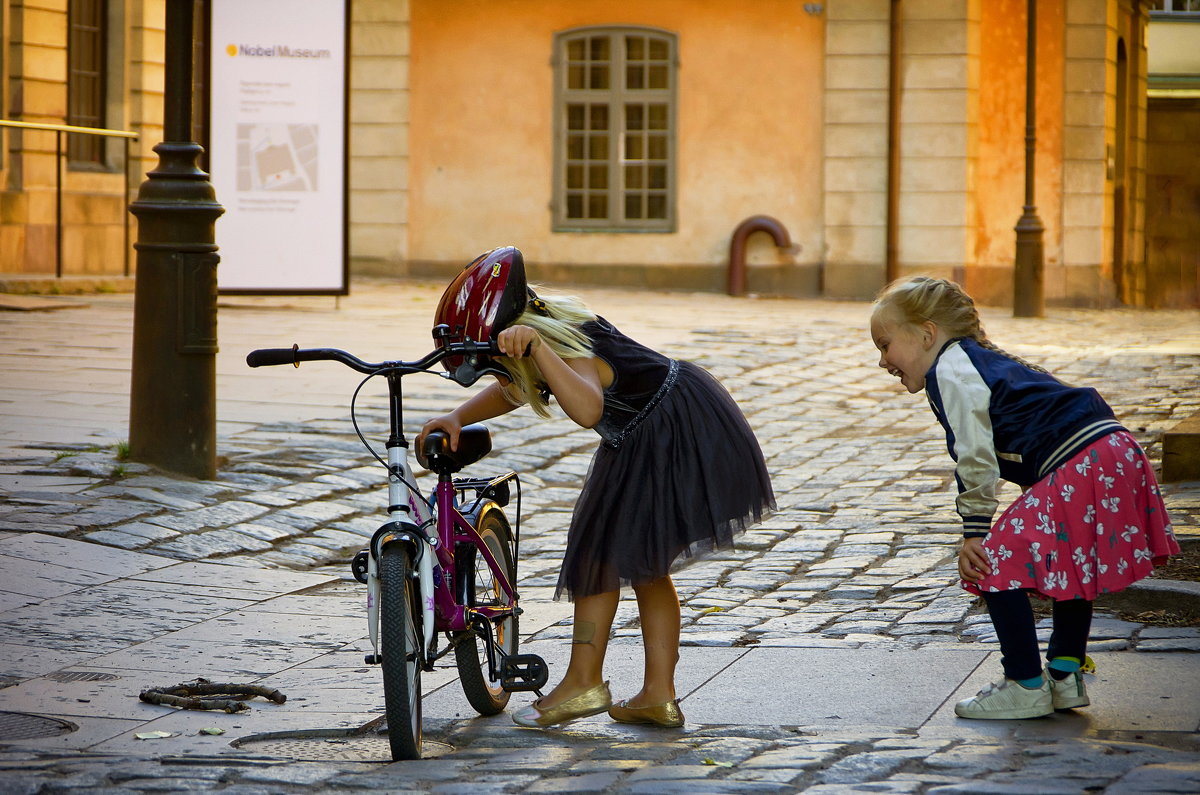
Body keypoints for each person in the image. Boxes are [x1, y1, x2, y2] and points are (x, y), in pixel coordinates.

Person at [419, 246, 775, 729]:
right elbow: (516, 389)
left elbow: (586, 408)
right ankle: (657, 695)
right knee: (647, 566)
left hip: (664, 430)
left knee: (598, 557)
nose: (498, 371)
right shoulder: (551, 328)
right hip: (659, 423)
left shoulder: (563, 342)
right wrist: (460, 415)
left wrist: (540, 349)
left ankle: (585, 681)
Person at [870, 276, 1179, 720]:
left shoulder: (951, 369)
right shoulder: (984, 359)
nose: (882, 361)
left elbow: (974, 455)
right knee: (1073, 559)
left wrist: (975, 532)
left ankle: (1024, 684)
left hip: (1083, 460)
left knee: (989, 563)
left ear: (926, 334)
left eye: (885, 345)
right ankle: (1063, 674)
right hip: (1113, 451)